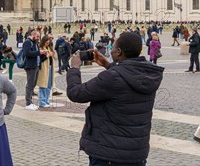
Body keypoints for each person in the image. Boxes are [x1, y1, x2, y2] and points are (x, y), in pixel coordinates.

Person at [67, 32, 164, 166]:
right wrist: (109, 65)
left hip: (109, 154)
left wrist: (74, 68)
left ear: (119, 52)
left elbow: (75, 93)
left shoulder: (111, 78)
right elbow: (125, 81)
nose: (110, 52)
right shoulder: (148, 74)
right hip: (136, 153)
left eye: (113, 48)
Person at [22, 30, 45, 110]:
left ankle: (30, 101)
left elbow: (36, 54)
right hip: (30, 66)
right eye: (37, 36)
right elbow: (27, 53)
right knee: (30, 85)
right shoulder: (27, 42)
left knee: (33, 84)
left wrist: (43, 54)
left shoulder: (35, 42)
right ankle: (28, 103)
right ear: (33, 35)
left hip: (36, 66)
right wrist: (39, 52)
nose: (38, 38)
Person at [37, 36, 56, 108]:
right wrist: (48, 55)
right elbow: (40, 60)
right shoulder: (41, 49)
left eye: (49, 42)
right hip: (44, 69)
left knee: (49, 85)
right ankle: (42, 102)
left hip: (50, 68)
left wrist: (53, 54)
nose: (48, 43)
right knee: (43, 85)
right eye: (47, 41)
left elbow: (54, 57)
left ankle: (47, 100)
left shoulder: (49, 48)